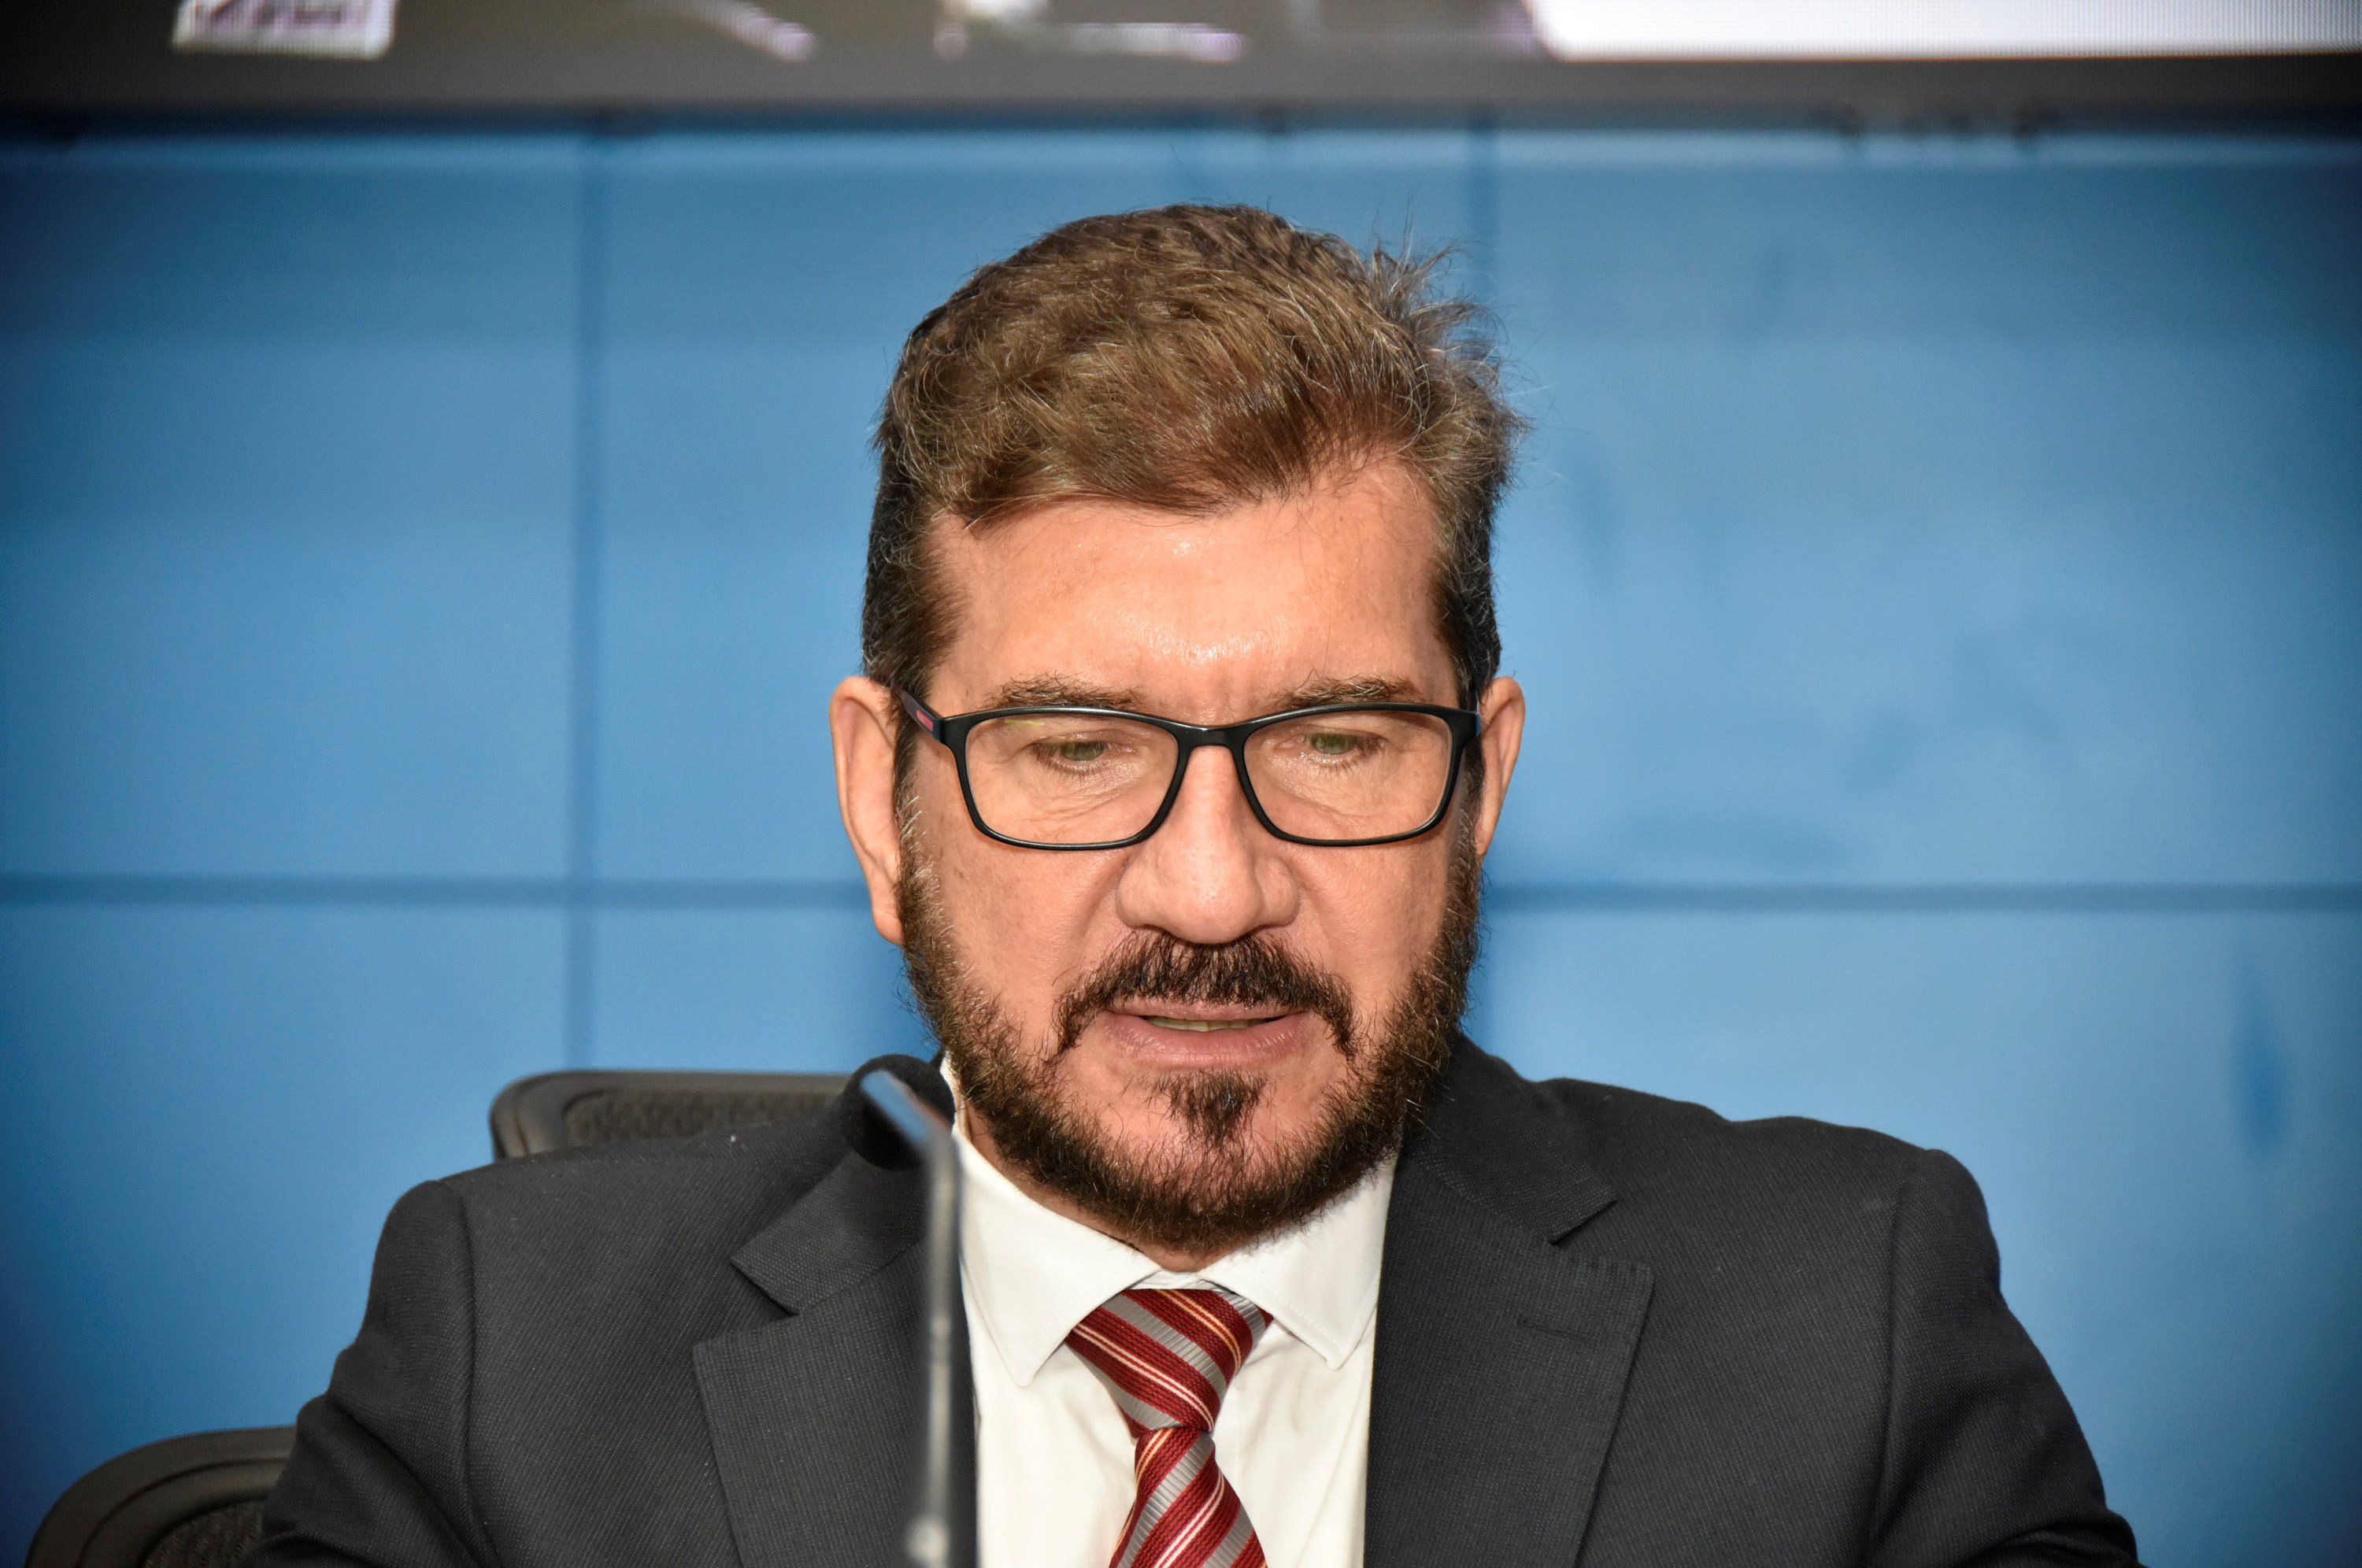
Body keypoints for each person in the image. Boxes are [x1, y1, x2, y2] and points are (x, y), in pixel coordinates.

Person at [250, 205, 2141, 1568]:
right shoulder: (510, 1360)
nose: (1215, 892)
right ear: (882, 805)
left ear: (1479, 786)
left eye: (1337, 743)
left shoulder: (1851, 1329)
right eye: (1076, 749)